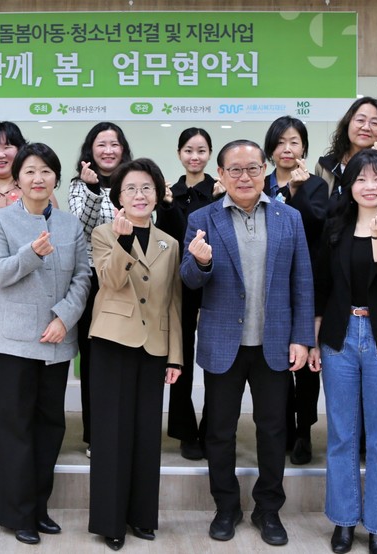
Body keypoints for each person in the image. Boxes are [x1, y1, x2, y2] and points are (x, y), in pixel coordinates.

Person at [180, 140, 314, 546]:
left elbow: (302, 282)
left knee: (273, 430)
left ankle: (268, 510)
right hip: (224, 343)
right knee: (219, 432)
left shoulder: (289, 218)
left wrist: (302, 338)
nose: (244, 177)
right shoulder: (202, 218)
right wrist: (201, 261)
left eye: (253, 168)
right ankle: (226, 507)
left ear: (265, 170)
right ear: (220, 174)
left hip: (274, 343)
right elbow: (189, 280)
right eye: (235, 170)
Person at [308, 149, 377, 554]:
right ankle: (343, 521)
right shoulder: (335, 226)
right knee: (341, 435)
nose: (369, 186)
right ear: (348, 185)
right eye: (360, 179)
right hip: (340, 337)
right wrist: (315, 338)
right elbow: (322, 285)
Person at [0, 143, 90, 545]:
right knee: (16, 431)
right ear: (17, 179)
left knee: (50, 428)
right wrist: (31, 253)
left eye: (46, 171)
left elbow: (83, 277)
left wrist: (65, 317)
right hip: (13, 344)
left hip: (57, 341)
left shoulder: (70, 225)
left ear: (56, 179)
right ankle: (18, 515)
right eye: (29, 171)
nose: (38, 178)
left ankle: (39, 507)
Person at [88, 158, 183, 551]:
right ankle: (110, 522)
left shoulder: (169, 243)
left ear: (158, 194)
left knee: (146, 435)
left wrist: (175, 356)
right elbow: (109, 281)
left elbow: (173, 302)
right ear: (119, 197)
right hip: (113, 342)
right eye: (130, 188)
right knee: (112, 435)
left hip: (154, 347)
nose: (139, 195)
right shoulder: (103, 233)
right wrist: (124, 243)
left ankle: (143, 517)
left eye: (147, 187)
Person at [155, 127, 224, 461]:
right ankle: (185, 431)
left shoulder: (221, 189)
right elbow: (170, 240)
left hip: (215, 284)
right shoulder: (170, 192)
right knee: (179, 360)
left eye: (201, 151)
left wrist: (219, 199)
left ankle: (212, 428)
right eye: (188, 150)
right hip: (179, 284)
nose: (194, 157)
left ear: (210, 153)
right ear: (179, 153)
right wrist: (167, 205)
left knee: (216, 361)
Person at [263, 115, 328, 465]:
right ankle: (285, 427)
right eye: (280, 142)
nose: (287, 149)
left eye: (294, 142)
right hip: (270, 284)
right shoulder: (260, 182)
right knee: (276, 362)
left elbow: (315, 225)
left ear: (304, 147)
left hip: (306, 281)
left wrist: (297, 192)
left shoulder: (316, 185)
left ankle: (304, 431)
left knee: (305, 364)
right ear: (270, 149)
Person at [69, 122, 133, 457]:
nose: (108, 150)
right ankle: (96, 435)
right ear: (90, 150)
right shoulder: (78, 186)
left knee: (124, 359)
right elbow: (80, 225)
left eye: (114, 144)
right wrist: (93, 190)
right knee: (94, 361)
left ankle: (124, 430)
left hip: (129, 278)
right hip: (93, 280)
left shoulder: (133, 183)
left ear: (123, 149)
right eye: (101, 144)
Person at [315, 97, 377, 212]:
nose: (366, 127)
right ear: (347, 123)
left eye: (374, 123)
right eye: (360, 120)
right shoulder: (326, 166)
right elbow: (319, 211)